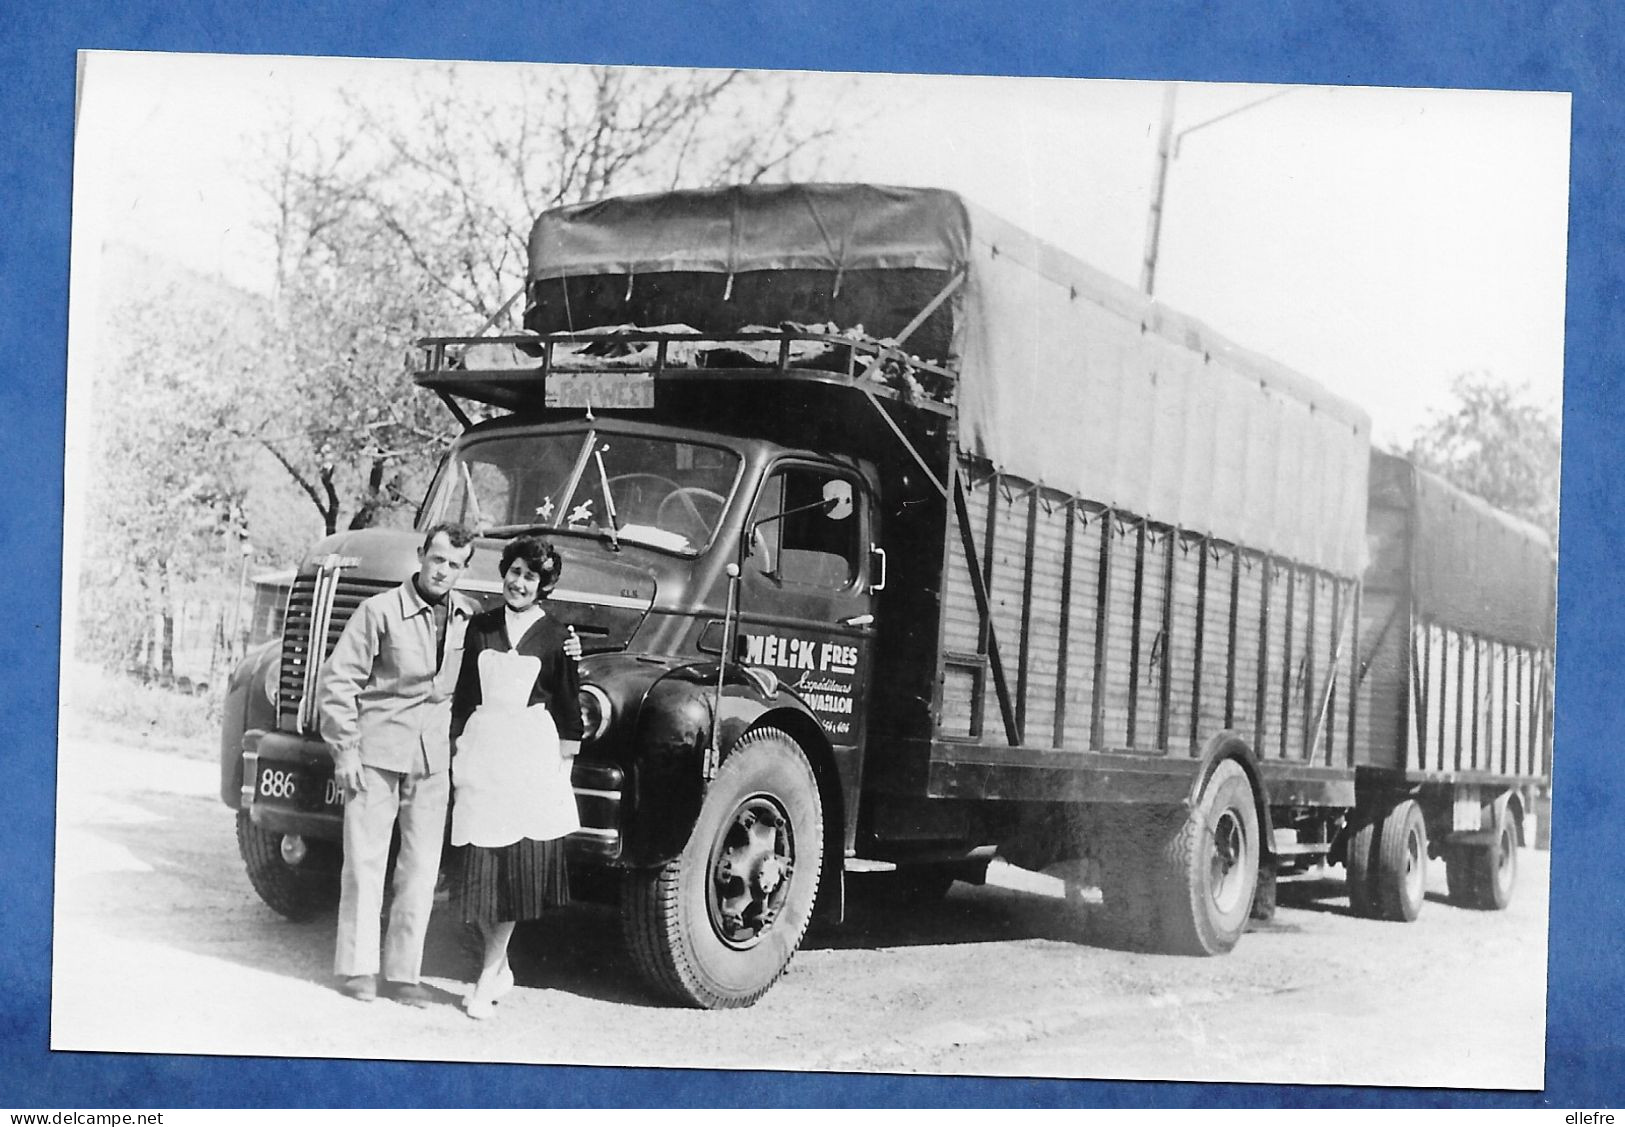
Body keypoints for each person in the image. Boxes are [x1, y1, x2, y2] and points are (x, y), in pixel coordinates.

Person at [316, 523, 478, 1005]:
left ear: (464, 569)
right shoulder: (379, 611)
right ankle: (358, 969)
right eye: (437, 559)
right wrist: (344, 750)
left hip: (432, 762)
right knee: (365, 863)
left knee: (422, 868)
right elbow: (338, 683)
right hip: (376, 755)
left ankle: (403, 974)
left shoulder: (468, 618)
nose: (443, 570)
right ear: (421, 555)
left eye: (454, 564)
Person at [450, 534, 585, 1019]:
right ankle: (499, 964)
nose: (519, 583)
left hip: (529, 760)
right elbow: (466, 695)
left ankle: (487, 976)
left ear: (543, 584)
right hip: (483, 754)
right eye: (515, 572)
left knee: (512, 872)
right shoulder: (481, 627)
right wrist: (456, 748)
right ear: (503, 572)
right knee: (480, 870)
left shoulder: (557, 636)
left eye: (531, 576)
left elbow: (569, 709)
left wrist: (562, 772)